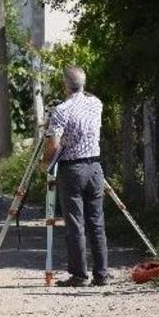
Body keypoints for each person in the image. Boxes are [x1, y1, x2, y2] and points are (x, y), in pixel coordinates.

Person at [42, 66, 109, 287]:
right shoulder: (96, 104)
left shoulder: (62, 110)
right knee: (96, 223)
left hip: (72, 170)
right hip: (95, 168)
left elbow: (53, 144)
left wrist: (46, 163)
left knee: (75, 224)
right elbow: (89, 96)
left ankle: (79, 274)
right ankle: (102, 274)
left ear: (65, 85)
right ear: (84, 84)